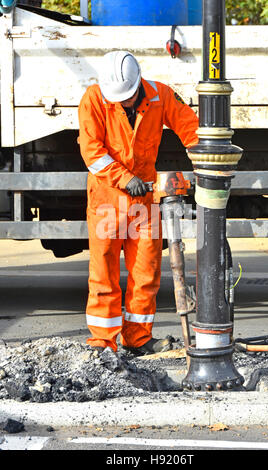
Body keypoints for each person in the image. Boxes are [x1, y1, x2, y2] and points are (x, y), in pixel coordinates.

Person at [78, 50, 198, 355]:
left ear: (138, 85)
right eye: (116, 98)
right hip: (108, 197)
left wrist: (204, 164)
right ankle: (103, 343)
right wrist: (123, 178)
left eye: (127, 97)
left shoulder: (160, 96)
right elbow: (92, 151)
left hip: (145, 200)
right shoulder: (94, 98)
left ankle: (138, 339)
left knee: (146, 271)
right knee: (103, 271)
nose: (121, 102)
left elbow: (190, 127)